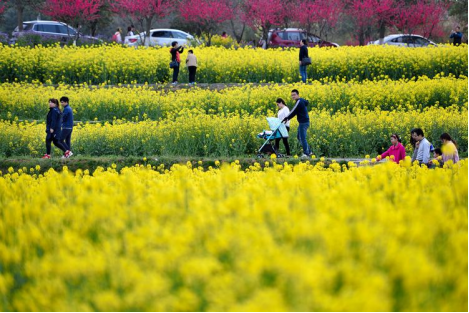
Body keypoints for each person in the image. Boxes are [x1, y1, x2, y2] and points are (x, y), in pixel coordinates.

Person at [282, 89, 311, 158]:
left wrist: (286, 117)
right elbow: (295, 113)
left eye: (294, 95)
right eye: (292, 95)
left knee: (302, 138)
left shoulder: (299, 101)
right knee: (299, 137)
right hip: (303, 122)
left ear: (298, 95)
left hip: (303, 122)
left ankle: (306, 153)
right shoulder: (301, 101)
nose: (293, 96)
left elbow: (293, 111)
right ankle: (309, 152)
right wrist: (288, 118)